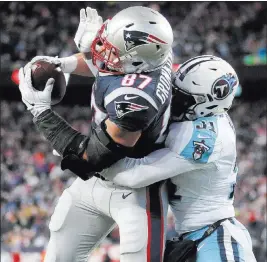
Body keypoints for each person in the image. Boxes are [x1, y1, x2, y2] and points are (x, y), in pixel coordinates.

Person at [18, 6, 173, 262]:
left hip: (135, 189)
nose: (100, 52)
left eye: (110, 49)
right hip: (96, 184)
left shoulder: (136, 100)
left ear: (135, 62)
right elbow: (108, 67)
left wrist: (40, 112)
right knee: (58, 255)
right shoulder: (152, 56)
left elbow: (90, 158)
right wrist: (63, 64)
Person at [97, 55, 257, 262]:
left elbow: (133, 175)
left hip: (215, 237)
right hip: (197, 236)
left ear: (206, 103)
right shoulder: (202, 117)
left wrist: (89, 156)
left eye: (183, 97)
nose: (174, 99)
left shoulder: (206, 137)